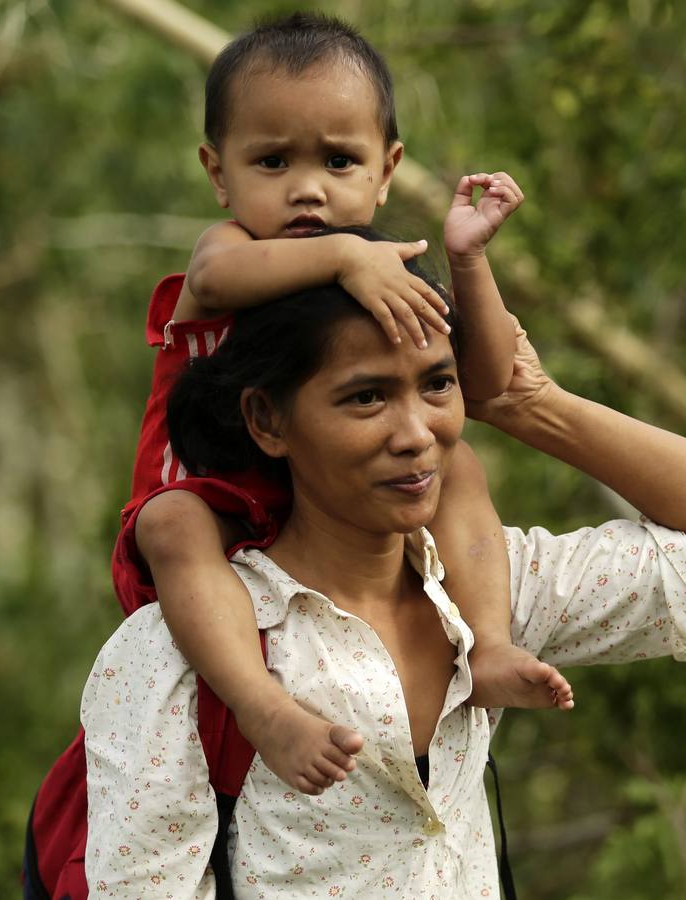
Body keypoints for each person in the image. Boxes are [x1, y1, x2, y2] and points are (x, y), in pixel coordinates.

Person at [82, 240, 686, 897]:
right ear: (267, 420)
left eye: (437, 384)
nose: (415, 435)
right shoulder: (183, 648)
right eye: (365, 398)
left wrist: (531, 405)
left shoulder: (487, 591)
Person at [114, 11, 572, 800]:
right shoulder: (231, 250)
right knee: (170, 526)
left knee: (454, 462)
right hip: (208, 496)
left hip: (323, 503)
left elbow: (489, 380)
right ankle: (266, 709)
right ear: (218, 172)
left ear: (386, 167)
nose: (307, 189)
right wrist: (346, 256)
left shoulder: (382, 274)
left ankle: (488, 646)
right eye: (271, 161)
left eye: (338, 159)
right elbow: (217, 288)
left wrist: (466, 261)